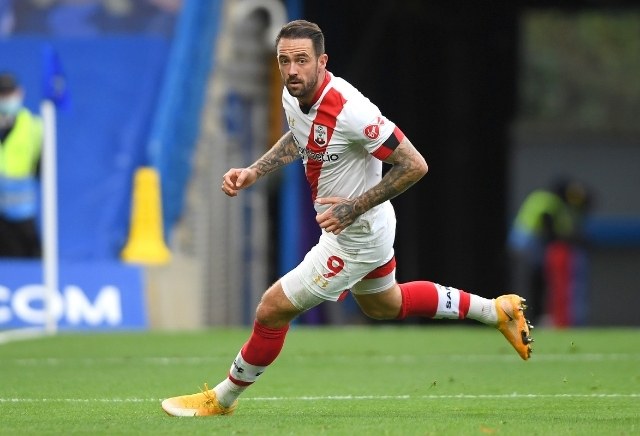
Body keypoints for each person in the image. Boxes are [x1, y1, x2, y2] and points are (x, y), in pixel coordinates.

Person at [161, 19, 533, 417]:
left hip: (357, 234)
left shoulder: (352, 111)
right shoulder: (293, 94)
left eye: (301, 60)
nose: (291, 70)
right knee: (384, 305)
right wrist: (255, 171)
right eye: (284, 61)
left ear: (322, 62)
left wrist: (352, 207)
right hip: (369, 227)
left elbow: (414, 165)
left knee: (271, 309)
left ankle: (221, 400)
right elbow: (300, 135)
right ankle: (496, 310)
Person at [508, 177, 592, 326]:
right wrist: (559, 239)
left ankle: (531, 315)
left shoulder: (540, 197)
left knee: (534, 281)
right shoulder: (551, 201)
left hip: (520, 239)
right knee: (539, 281)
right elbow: (548, 224)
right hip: (532, 241)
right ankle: (535, 316)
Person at [0, 72, 43, 258]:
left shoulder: (34, 126)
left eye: (9, 93)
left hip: (23, 218)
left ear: (20, 93)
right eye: (2, 94)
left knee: (28, 263)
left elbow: (42, 170)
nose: (6, 99)